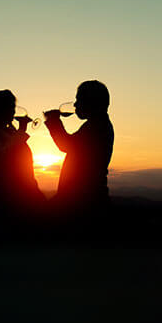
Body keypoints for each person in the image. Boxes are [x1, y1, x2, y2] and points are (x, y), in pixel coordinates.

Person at [44, 80, 114, 241]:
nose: (75, 105)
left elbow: (66, 145)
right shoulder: (98, 124)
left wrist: (54, 121)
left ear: (91, 102)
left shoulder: (96, 127)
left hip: (84, 205)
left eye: (79, 100)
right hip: (87, 202)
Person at [0, 89, 46, 245]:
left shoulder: (9, 131)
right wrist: (21, 131)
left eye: (13, 108)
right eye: (9, 108)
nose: (12, 112)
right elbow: (1, 156)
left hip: (20, 198)